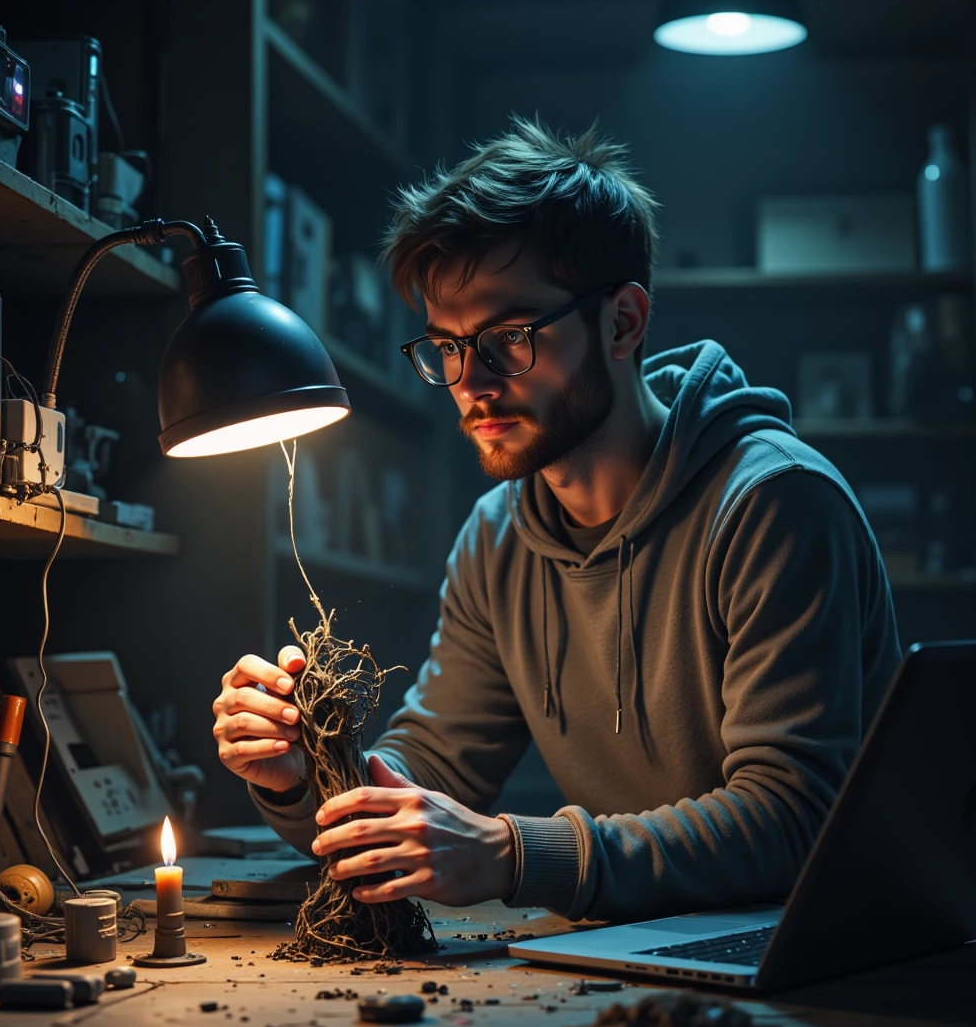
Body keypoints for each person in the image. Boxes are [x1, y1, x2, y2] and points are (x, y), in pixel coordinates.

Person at [212, 117, 900, 923]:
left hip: (827, 951)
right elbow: (430, 769)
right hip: (646, 944)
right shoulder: (497, 537)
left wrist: (511, 854)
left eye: (508, 338)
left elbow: (793, 819)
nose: (471, 382)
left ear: (623, 322)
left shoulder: (774, 503)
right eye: (447, 346)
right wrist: (307, 770)